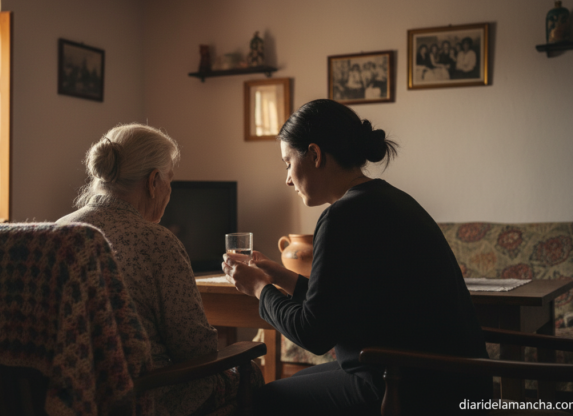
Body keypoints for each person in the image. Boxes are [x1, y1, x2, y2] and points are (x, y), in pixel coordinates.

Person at [222, 100, 491, 415]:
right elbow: (333, 304)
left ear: (315, 155)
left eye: (287, 163)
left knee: (267, 400)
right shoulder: (388, 198)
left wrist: (259, 288)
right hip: (447, 378)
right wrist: (279, 275)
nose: (288, 179)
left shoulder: (342, 216)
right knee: (288, 386)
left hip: (410, 387)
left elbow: (314, 333)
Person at [58, 123, 262, 415]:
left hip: (72, 398)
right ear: (154, 181)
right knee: (250, 372)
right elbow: (196, 351)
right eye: (170, 179)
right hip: (147, 398)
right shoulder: (156, 242)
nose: (170, 189)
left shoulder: (60, 229)